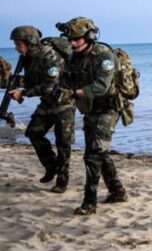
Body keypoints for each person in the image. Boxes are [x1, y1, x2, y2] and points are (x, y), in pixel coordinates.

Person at [57, 17, 128, 215]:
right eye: (70, 39)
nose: (72, 43)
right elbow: (67, 78)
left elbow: (101, 86)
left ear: (89, 37)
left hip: (108, 109)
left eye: (76, 39)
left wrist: (74, 93)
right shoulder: (75, 57)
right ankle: (117, 191)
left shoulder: (104, 56)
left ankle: (90, 203)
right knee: (101, 153)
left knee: (92, 155)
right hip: (89, 110)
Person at [8, 26, 75, 193]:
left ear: (29, 42)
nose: (16, 48)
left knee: (63, 143)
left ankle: (62, 181)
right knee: (33, 133)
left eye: (18, 44)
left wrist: (23, 93)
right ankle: (51, 166)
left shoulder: (49, 55)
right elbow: (34, 81)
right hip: (47, 103)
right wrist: (20, 83)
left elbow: (49, 85)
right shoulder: (28, 57)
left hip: (63, 103)